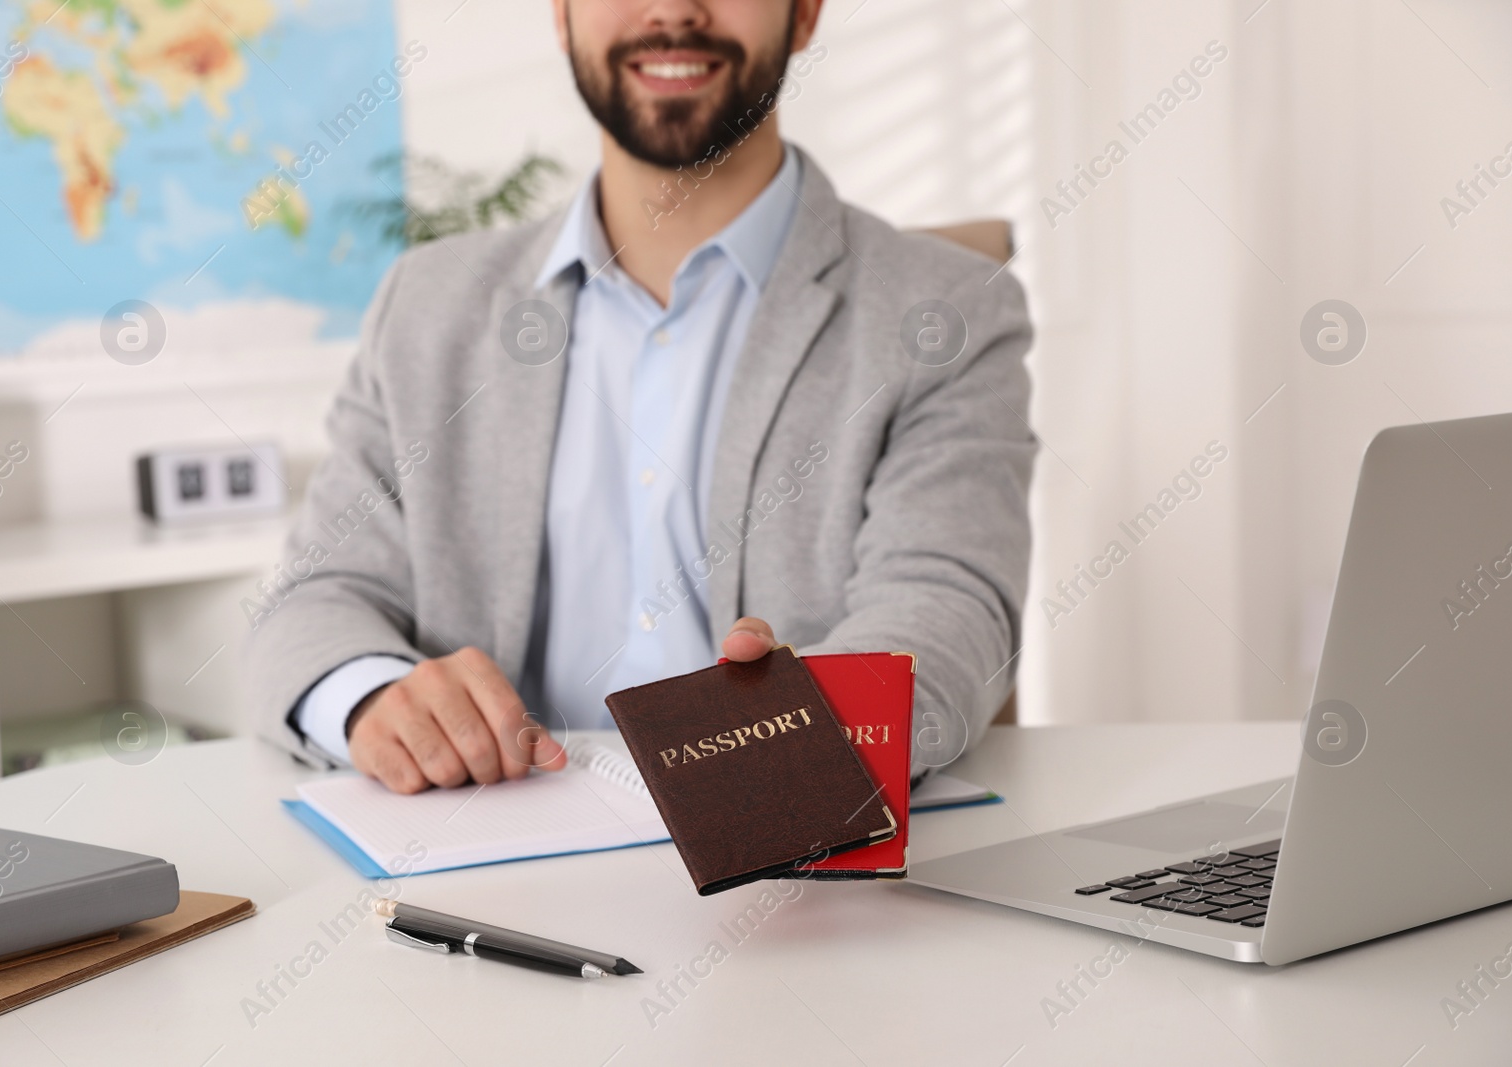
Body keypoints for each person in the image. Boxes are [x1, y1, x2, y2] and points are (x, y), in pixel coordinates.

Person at [245, 0, 1036, 793]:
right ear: (561, 15)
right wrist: (376, 696)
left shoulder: (947, 312)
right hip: (480, 861)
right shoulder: (425, 306)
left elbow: (947, 607)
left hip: (787, 864)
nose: (671, 11)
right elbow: (317, 596)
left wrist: (787, 746)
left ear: (804, 15)